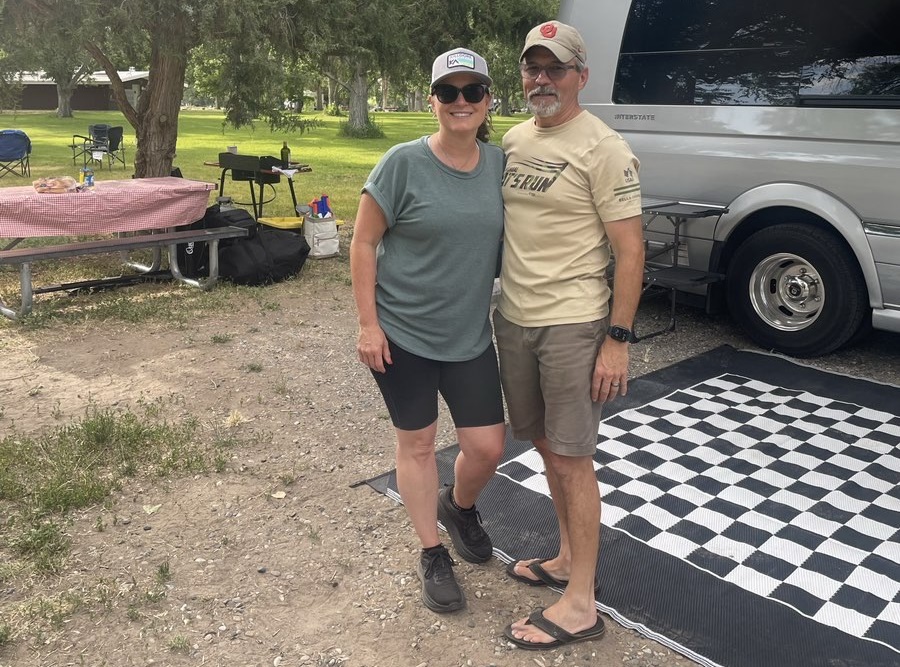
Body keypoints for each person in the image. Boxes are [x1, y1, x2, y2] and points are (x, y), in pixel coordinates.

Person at [495, 21, 645, 649]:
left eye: (554, 68)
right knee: (541, 443)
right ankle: (563, 559)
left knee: (574, 457)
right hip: (515, 318)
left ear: (581, 75)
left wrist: (617, 338)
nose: (541, 79)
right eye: (533, 67)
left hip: (574, 323)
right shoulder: (513, 139)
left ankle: (581, 602)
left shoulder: (605, 148)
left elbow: (631, 252)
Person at [350, 48, 506, 614]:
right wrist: (368, 324)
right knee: (416, 445)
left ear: (488, 100)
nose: (460, 102)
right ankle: (432, 552)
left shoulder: (500, 166)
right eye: (448, 92)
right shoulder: (401, 162)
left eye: (472, 92)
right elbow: (363, 241)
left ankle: (459, 506)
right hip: (403, 334)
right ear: (432, 100)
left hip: (470, 336)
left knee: (487, 446)